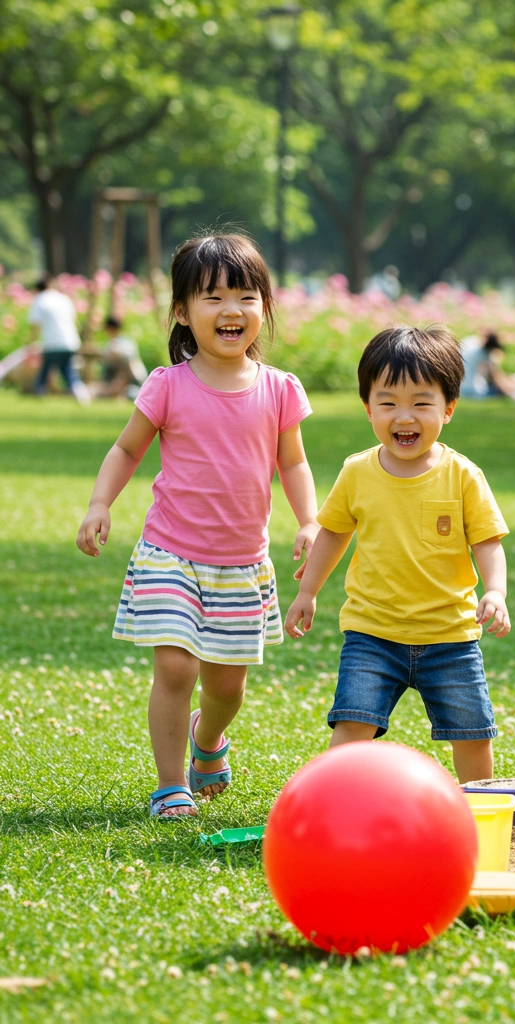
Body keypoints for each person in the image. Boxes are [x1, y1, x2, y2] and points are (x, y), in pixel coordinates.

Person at [75, 233, 320, 819]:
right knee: (176, 663)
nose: (231, 310)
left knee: (227, 687)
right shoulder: (167, 384)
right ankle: (170, 784)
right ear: (183, 312)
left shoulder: (279, 389)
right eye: (212, 298)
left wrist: (309, 520)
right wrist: (99, 504)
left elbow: (293, 462)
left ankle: (206, 742)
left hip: (241, 561)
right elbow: (126, 450)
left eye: (245, 296)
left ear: (263, 306)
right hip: (170, 552)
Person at [284, 325, 511, 783]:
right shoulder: (357, 472)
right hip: (373, 633)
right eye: (388, 402)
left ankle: (478, 811)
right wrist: (308, 591)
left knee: (473, 734)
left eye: (421, 403)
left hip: (451, 635)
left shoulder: (463, 475)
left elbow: (486, 541)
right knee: (352, 724)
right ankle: (332, 804)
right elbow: (332, 534)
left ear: (448, 408)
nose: (403, 417)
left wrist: (496, 592)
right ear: (368, 408)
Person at [28, 275, 90, 405]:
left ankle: (38, 392)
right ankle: (81, 394)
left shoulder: (40, 299)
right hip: (70, 341)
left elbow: (35, 325)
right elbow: (74, 321)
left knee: (46, 370)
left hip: (52, 343)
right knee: (67, 370)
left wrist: (32, 343)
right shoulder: (63, 299)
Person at [460, 332, 515, 400]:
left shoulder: (470, 341)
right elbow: (498, 380)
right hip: (473, 392)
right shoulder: (484, 353)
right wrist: (514, 395)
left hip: (460, 388)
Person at [90, 315, 148, 399]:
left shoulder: (125, 343)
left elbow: (129, 362)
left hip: (132, 379)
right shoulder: (110, 344)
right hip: (115, 377)